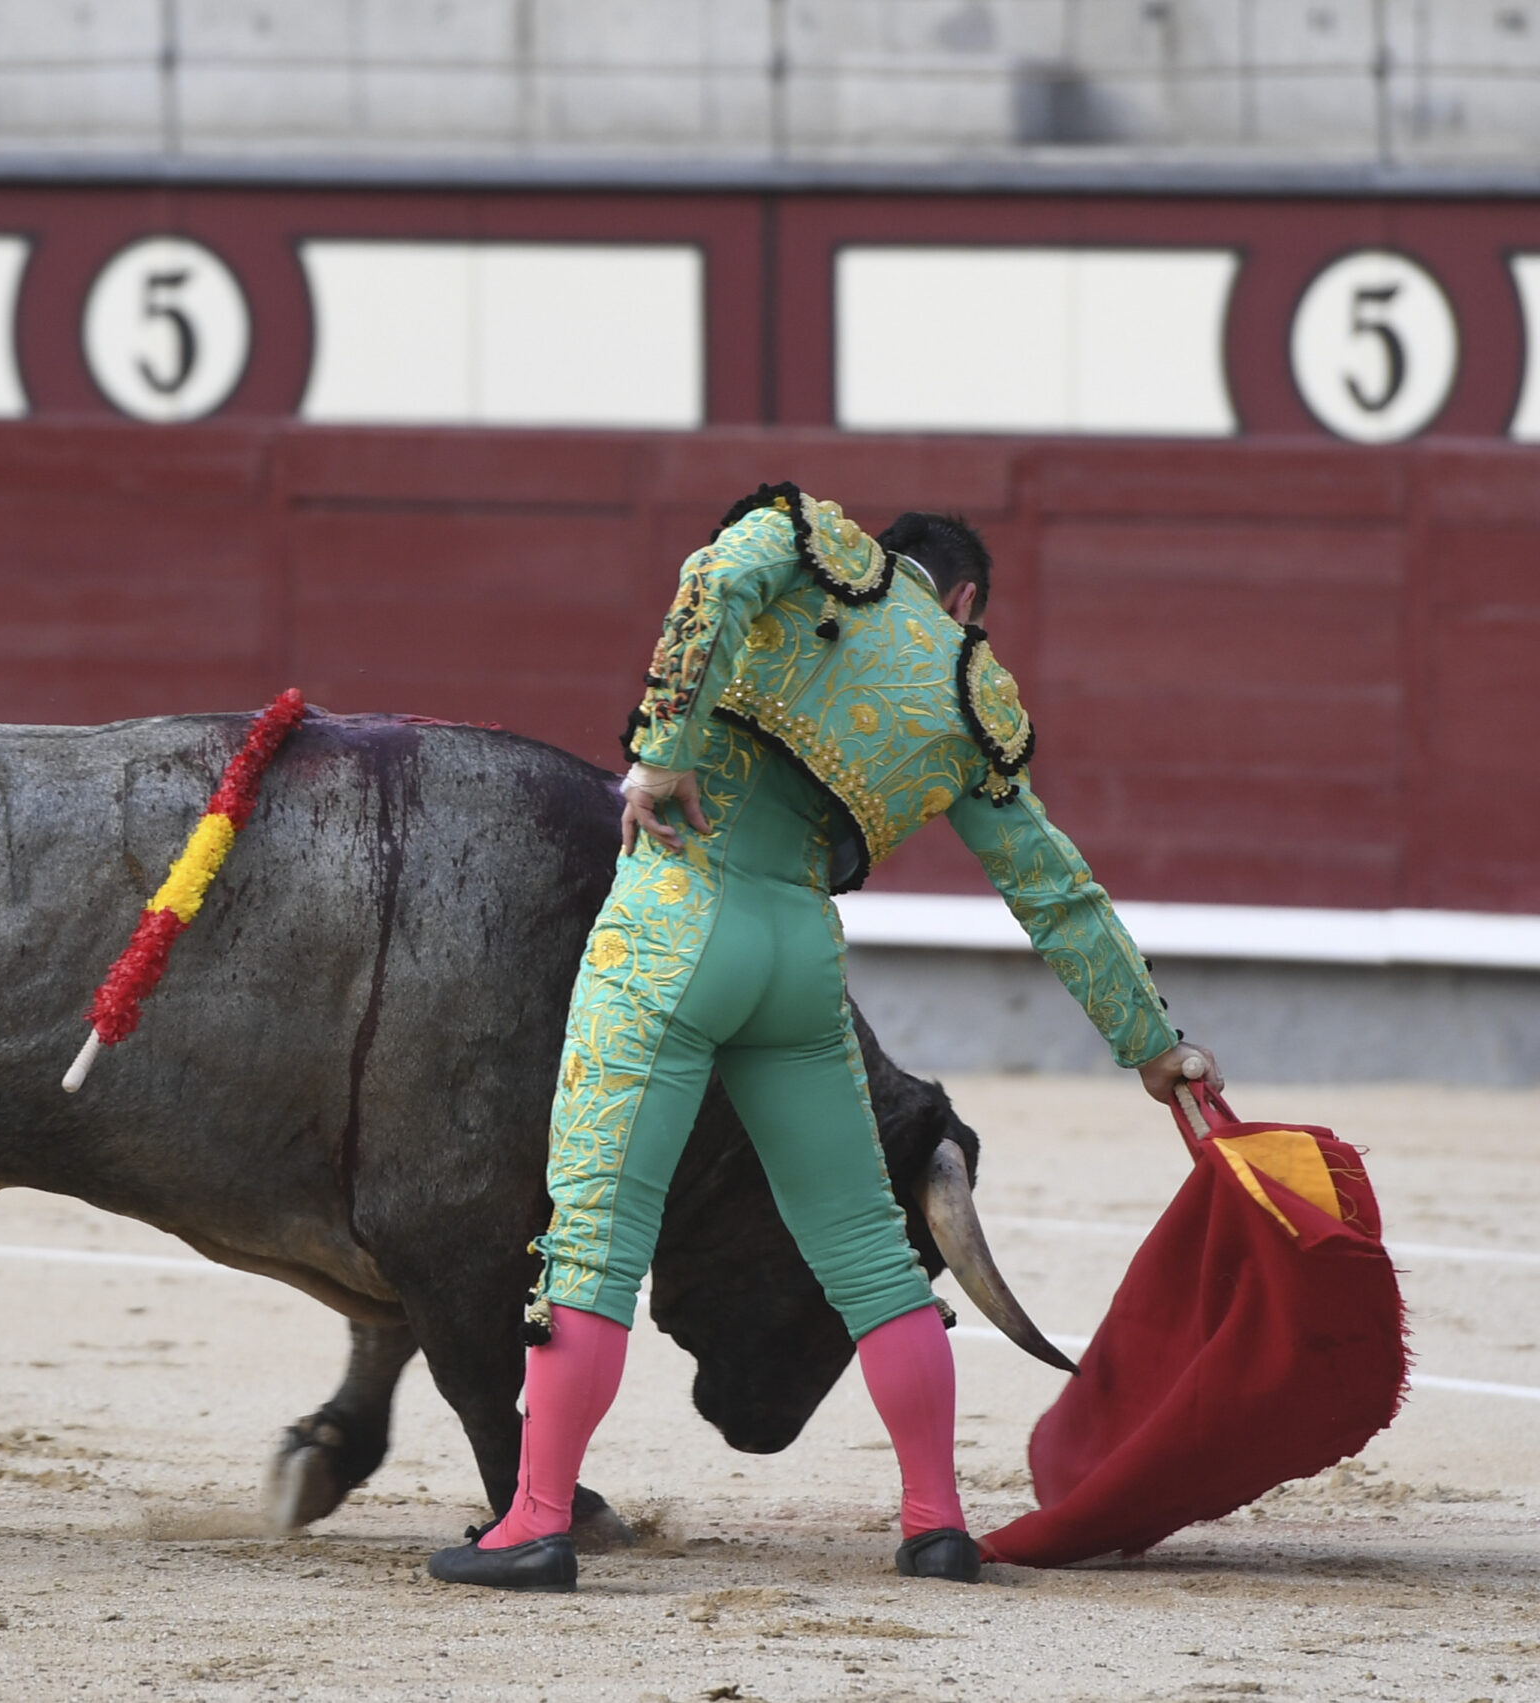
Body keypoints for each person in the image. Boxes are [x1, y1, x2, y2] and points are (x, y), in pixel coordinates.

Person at [428, 484, 1221, 1593]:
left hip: (671, 922)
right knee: (868, 1251)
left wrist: (659, 750)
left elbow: (710, 577)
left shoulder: (804, 548)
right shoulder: (964, 693)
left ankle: (536, 1520)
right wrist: (1152, 1044)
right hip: (798, 961)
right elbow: (1055, 892)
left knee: (597, 1235)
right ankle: (936, 1519)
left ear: (888, 559)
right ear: (965, 598)